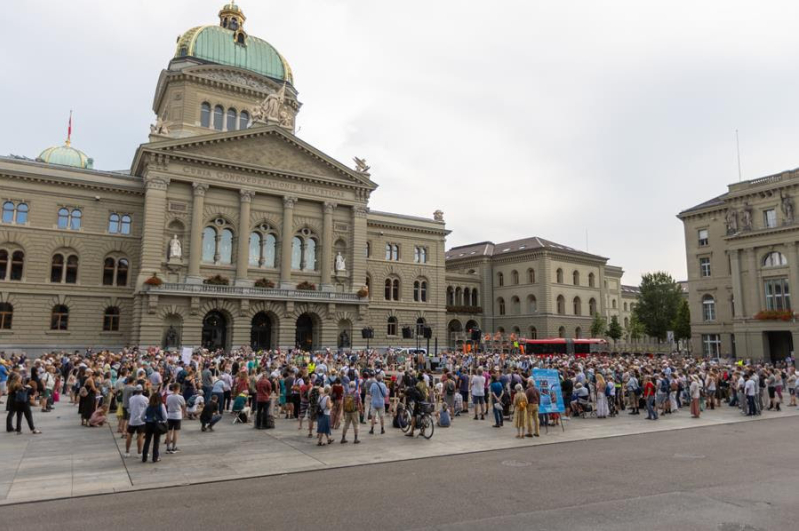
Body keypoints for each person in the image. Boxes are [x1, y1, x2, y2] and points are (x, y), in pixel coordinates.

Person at [142, 392, 167, 463]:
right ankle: (155, 457)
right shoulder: (161, 405)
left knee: (147, 440)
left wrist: (145, 420)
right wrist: (162, 421)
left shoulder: (148, 406)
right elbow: (165, 417)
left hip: (148, 424)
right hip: (157, 424)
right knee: (156, 441)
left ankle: (144, 457)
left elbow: (142, 416)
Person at [125, 385, 147, 458]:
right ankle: (139, 452)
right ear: (142, 390)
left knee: (129, 435)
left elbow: (130, 408)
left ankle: (127, 451)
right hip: (141, 420)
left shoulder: (131, 398)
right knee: (140, 435)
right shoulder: (145, 399)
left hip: (132, 419)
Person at [165, 383, 185, 454]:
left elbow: (167, 405)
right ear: (178, 389)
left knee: (169, 432)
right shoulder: (180, 397)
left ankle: (168, 448)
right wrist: (184, 413)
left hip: (170, 415)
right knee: (176, 432)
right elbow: (183, 406)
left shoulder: (168, 397)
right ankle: (174, 447)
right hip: (177, 415)